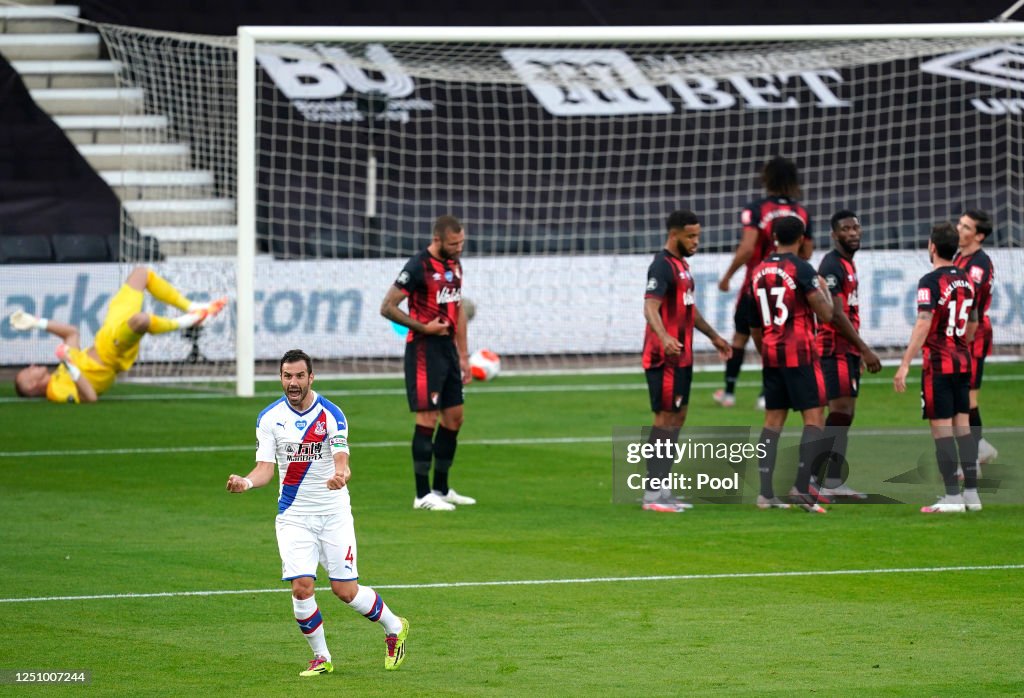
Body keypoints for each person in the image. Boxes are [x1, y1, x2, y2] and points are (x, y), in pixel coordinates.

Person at [226, 349, 410, 676]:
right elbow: (265, 469)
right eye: (287, 376)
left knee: (345, 591)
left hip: (333, 514)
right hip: (294, 517)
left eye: (299, 376)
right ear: (280, 377)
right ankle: (322, 657)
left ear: (311, 377)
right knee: (301, 585)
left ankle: (394, 627)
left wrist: (342, 474)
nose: (293, 383)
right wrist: (246, 482)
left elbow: (342, 456)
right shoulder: (269, 418)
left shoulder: (331, 414)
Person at [9, 266, 225, 403]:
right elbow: (90, 397)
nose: (30, 367)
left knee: (141, 274)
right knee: (140, 320)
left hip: (106, 334)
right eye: (27, 373)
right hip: (111, 354)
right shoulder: (55, 391)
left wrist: (37, 323)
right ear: (31, 386)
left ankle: (193, 307)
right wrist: (69, 363)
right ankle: (191, 320)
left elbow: (71, 334)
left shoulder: (58, 371)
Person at [380, 214, 475, 511]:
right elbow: (387, 306)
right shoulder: (417, 266)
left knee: (455, 417)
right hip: (423, 350)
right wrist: (423, 327)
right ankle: (422, 496)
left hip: (448, 350)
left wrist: (463, 355)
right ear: (437, 240)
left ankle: (441, 488)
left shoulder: (455, 265)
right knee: (427, 419)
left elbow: (457, 311)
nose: (458, 248)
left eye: (461, 242)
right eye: (453, 243)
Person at [640, 210, 733, 512]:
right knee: (664, 420)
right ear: (674, 234)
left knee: (677, 420)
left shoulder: (682, 267)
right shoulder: (662, 266)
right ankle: (652, 494)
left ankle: (663, 488)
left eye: (698, 236)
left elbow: (689, 310)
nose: (696, 242)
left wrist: (714, 336)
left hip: (683, 356)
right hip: (663, 357)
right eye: (691, 236)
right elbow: (650, 307)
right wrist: (665, 337)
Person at [749, 216, 834, 513]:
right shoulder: (802, 268)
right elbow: (825, 314)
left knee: (772, 423)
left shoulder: (758, 270)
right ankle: (801, 486)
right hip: (800, 354)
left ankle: (765, 494)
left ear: (773, 237)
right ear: (801, 238)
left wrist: (765, 351)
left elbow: (754, 324)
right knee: (814, 419)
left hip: (772, 354)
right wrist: (824, 289)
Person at [894, 223, 980, 513]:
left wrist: (905, 363)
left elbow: (924, 320)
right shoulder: (967, 279)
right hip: (963, 359)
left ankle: (952, 497)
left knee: (941, 429)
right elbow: (973, 323)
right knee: (963, 426)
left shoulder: (930, 281)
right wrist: (960, 343)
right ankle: (971, 494)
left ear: (932, 246)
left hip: (939, 364)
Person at [715, 155, 812, 410]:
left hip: (756, 284)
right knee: (780, 336)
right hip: (788, 286)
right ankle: (765, 394)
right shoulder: (801, 212)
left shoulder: (756, 209)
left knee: (740, 337)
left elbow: (747, 249)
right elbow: (807, 253)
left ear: (767, 178)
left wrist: (727, 276)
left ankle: (729, 392)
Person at [811, 210, 882, 501]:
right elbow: (837, 316)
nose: (852, 233)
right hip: (833, 348)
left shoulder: (847, 264)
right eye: (845, 229)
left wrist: (856, 352)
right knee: (839, 411)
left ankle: (833, 481)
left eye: (856, 227)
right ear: (834, 235)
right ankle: (814, 478)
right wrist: (864, 350)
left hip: (846, 350)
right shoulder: (831, 265)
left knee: (846, 413)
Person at [953, 209, 998, 467]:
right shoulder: (960, 257)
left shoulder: (979, 264)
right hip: (960, 333)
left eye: (966, 227)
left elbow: (971, 304)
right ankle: (979, 448)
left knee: (966, 399)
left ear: (979, 236)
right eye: (960, 224)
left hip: (973, 334)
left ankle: (974, 455)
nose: (960, 229)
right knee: (964, 398)